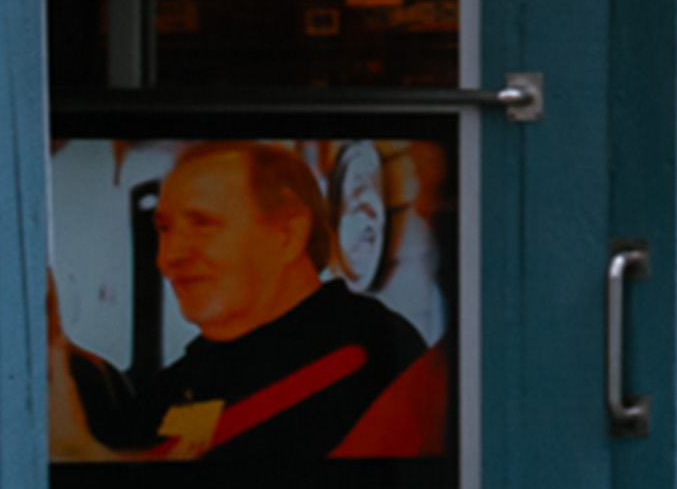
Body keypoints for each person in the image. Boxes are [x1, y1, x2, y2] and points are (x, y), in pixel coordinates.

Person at [49, 139, 445, 462]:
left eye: (202, 224)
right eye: (165, 230)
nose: (171, 258)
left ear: (288, 235)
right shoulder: (198, 369)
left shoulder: (362, 349)